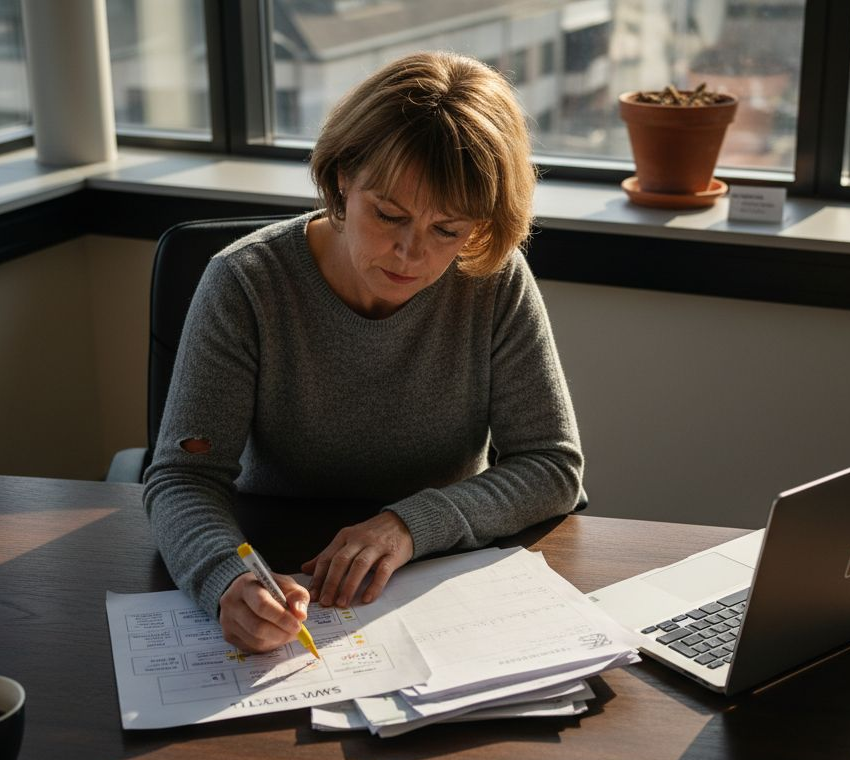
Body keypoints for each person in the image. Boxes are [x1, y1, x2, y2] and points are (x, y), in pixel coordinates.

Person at [143, 51, 583, 655]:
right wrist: (227, 576)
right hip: (277, 558)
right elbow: (183, 478)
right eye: (388, 215)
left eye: (447, 231)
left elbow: (551, 466)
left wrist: (408, 525)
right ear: (344, 177)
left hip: (433, 578)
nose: (410, 254)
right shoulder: (245, 282)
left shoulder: (494, 278)